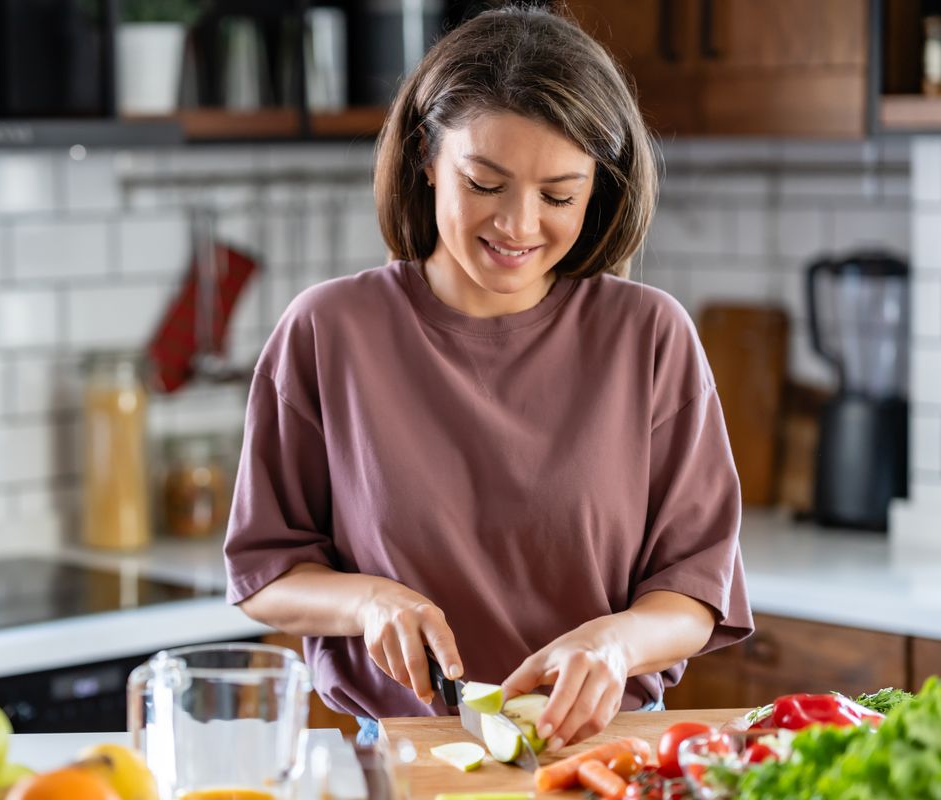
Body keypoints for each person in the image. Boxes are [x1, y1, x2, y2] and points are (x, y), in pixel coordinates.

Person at [224, 4, 752, 751]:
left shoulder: (651, 336)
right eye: (485, 182)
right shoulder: (328, 332)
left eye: (559, 195)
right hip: (403, 759)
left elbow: (696, 591)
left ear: (598, 188)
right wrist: (370, 602)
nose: (520, 224)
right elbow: (264, 574)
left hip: (608, 758)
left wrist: (613, 644)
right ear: (425, 156)